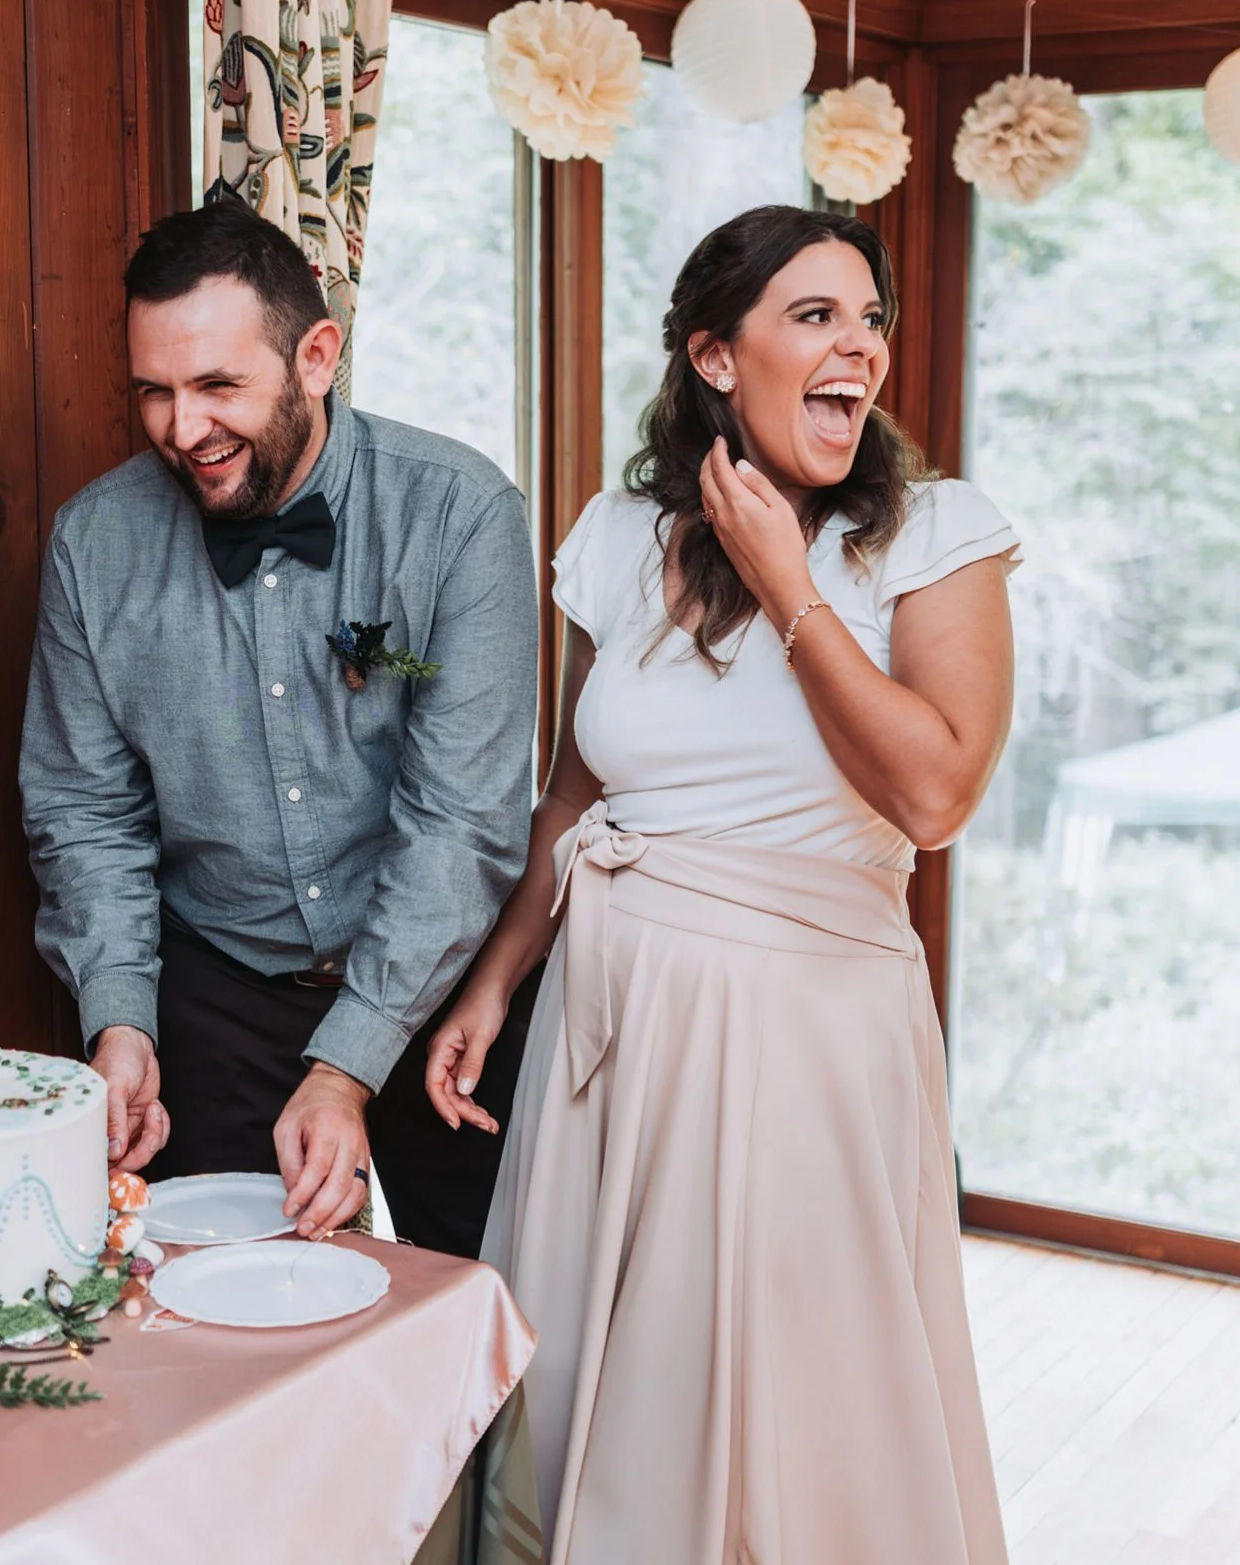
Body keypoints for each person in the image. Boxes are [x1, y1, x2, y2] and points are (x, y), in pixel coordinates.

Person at [426, 206, 1015, 1563]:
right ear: (713, 356)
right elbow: (574, 794)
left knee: (793, 1403)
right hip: (608, 1023)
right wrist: (494, 984)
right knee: (596, 1390)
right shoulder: (620, 535)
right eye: (814, 317)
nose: (857, 347)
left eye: (869, 320)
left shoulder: (935, 535)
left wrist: (787, 585)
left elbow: (935, 795)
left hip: (808, 1034)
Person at [19, 201, 538, 1254]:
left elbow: (460, 823)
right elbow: (85, 814)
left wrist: (347, 1065)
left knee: (487, 1292)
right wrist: (120, 1019)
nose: (183, 429)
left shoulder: (460, 514)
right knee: (229, 1308)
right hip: (220, 992)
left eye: (218, 386)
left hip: (449, 990)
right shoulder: (92, 546)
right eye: (154, 392)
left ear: (316, 357)